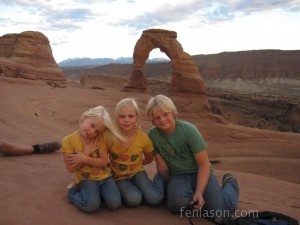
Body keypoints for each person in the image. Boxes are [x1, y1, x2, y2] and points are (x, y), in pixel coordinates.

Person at [145, 95, 239, 224]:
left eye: (165, 114)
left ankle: (230, 184)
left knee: (219, 216)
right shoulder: (152, 135)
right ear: (152, 120)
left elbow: (204, 164)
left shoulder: (189, 130)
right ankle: (196, 196)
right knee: (175, 206)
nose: (162, 120)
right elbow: (163, 168)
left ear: (172, 112)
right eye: (156, 117)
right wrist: (171, 186)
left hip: (200, 172)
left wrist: (199, 192)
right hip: (178, 176)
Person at [61, 105, 123, 213]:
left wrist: (83, 157)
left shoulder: (100, 139)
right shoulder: (68, 141)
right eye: (92, 125)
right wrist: (87, 151)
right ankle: (73, 193)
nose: (92, 132)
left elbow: (103, 162)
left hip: (105, 178)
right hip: (86, 179)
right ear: (85, 117)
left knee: (115, 203)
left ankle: (95, 194)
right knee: (91, 205)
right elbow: (71, 169)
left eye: (97, 131)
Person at [109, 98, 164, 207]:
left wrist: (135, 164)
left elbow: (149, 158)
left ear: (137, 117)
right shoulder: (110, 136)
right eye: (122, 116)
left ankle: (159, 183)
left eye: (131, 116)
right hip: (119, 177)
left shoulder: (144, 138)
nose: (126, 120)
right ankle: (132, 190)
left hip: (137, 173)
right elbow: (102, 155)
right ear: (116, 118)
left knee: (154, 199)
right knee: (133, 200)